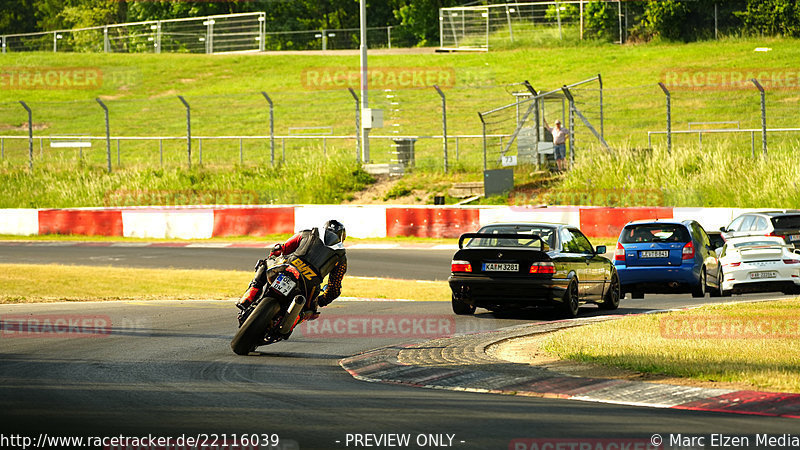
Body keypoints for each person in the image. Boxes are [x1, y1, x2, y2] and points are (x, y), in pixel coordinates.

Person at [236, 220, 348, 321]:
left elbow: (282, 248)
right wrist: (321, 301)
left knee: (265, 263)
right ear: (342, 237)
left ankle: (252, 291)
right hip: (310, 283)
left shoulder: (308, 233)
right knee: (309, 311)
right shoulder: (341, 256)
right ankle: (292, 321)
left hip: (289, 265)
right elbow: (334, 286)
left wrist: (273, 255)